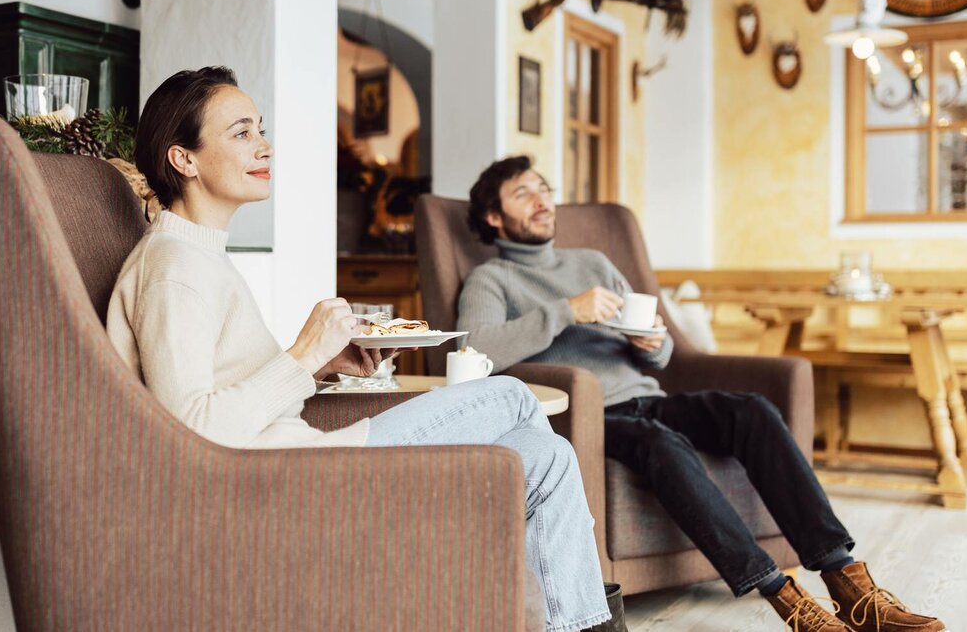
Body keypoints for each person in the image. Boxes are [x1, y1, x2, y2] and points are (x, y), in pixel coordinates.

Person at [106, 67, 615, 632]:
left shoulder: (199, 257)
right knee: (513, 398)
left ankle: (563, 618)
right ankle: (559, 614)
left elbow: (233, 393)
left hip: (299, 457)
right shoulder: (174, 270)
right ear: (185, 159)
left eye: (261, 129)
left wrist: (320, 369)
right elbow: (192, 429)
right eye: (241, 132)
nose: (264, 145)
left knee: (547, 457)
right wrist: (302, 354)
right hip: (289, 479)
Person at [456, 155, 946, 632]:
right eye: (524, 193)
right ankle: (783, 596)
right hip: (590, 415)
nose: (542, 200)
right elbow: (474, 351)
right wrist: (566, 310)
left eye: (544, 188)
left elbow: (662, 353)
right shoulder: (492, 279)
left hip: (647, 396)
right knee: (661, 443)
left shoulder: (593, 262)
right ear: (494, 217)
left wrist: (653, 341)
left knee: (751, 411)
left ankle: (847, 582)